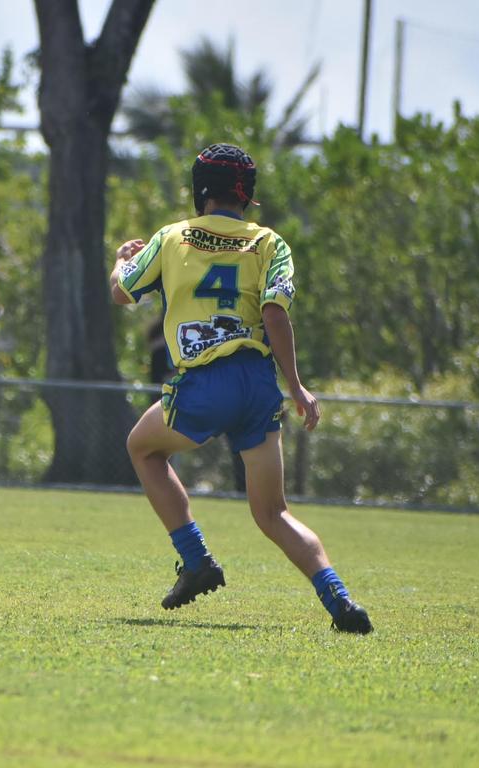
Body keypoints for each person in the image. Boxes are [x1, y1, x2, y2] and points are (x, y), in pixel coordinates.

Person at [110, 143, 372, 634]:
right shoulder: (270, 243)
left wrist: (122, 260)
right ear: (248, 196)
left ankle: (196, 560)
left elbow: (122, 292)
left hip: (205, 381)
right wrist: (295, 387)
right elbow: (274, 312)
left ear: (199, 191)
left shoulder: (172, 237)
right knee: (273, 512)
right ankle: (339, 600)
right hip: (257, 383)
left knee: (143, 449)